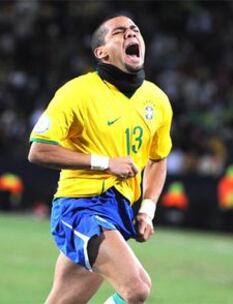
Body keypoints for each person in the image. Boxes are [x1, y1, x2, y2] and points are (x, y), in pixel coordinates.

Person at [28, 15, 172, 304]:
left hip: (118, 212)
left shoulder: (157, 100)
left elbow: (158, 158)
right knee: (137, 287)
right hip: (79, 207)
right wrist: (105, 163)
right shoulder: (77, 92)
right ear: (101, 52)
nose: (131, 34)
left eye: (135, 30)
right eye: (120, 32)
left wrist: (147, 210)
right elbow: (38, 150)